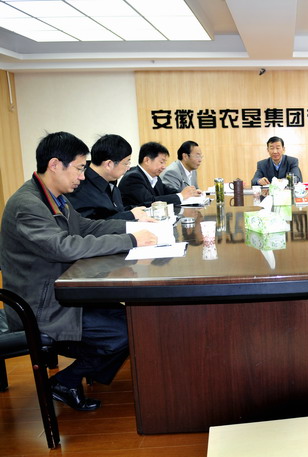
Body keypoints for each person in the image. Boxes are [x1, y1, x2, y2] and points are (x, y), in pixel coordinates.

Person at [0, 131, 157, 411]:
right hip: (40, 305)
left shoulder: (54, 197)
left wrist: (131, 227)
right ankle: (65, 381)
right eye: (79, 168)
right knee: (123, 332)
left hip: (61, 292)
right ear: (54, 165)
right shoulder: (27, 205)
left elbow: (85, 226)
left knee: (132, 321)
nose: (83, 177)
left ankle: (76, 377)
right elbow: (64, 247)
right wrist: (130, 240)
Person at [67, 134, 152, 221]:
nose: (128, 168)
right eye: (126, 163)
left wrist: (141, 209)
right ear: (109, 164)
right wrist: (130, 215)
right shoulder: (79, 186)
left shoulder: (110, 182)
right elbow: (89, 225)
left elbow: (116, 212)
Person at [119, 141, 200, 207]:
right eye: (161, 162)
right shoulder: (133, 177)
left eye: (165, 163)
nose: (164, 167)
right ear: (147, 160)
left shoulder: (155, 177)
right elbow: (150, 201)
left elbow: (168, 191)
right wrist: (181, 196)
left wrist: (190, 193)